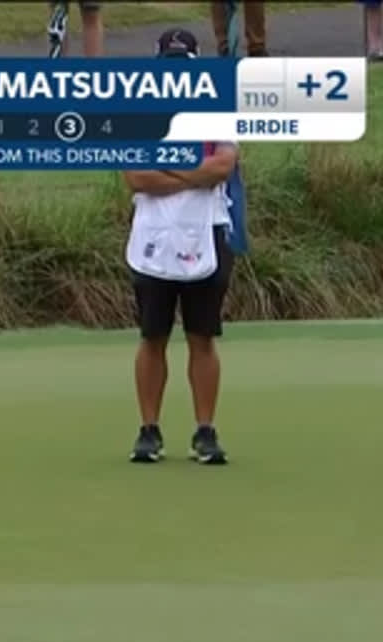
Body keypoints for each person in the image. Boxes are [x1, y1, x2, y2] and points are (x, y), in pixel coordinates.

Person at [121, 28, 240, 465]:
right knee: (152, 335)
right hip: (153, 234)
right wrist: (194, 173)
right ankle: (148, 430)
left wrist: (170, 175)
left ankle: (204, 431)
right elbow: (136, 177)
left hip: (207, 230)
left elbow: (223, 166)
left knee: (201, 337)